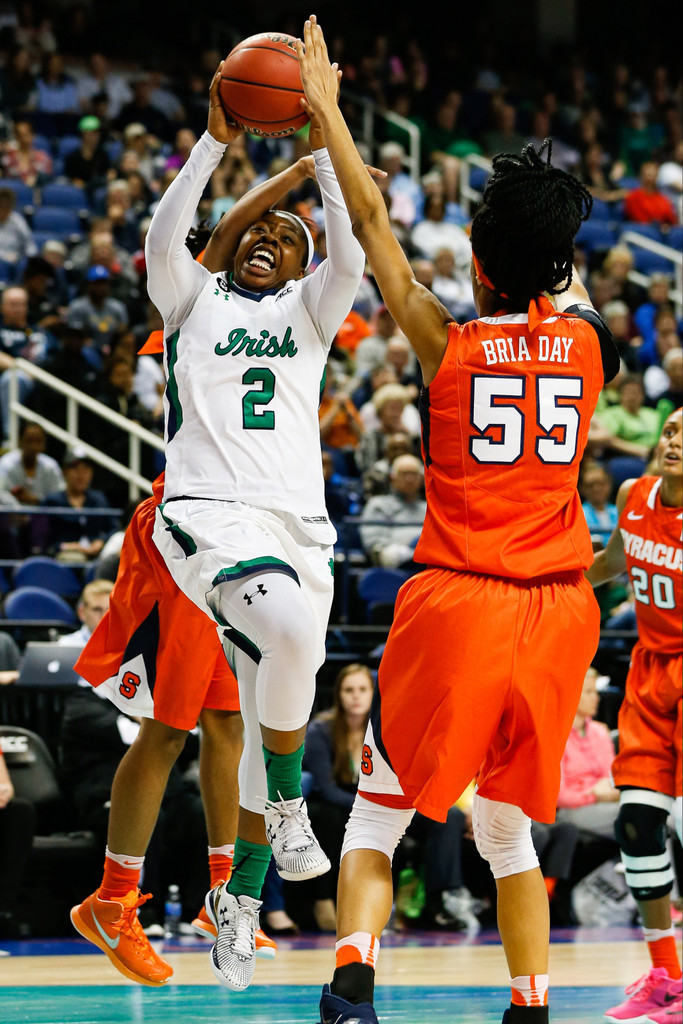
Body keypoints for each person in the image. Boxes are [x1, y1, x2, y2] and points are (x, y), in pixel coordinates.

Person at [296, 18, 620, 1024]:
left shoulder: (447, 343)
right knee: (508, 832)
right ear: (559, 265)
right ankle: (529, 1006)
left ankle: (352, 984)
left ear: (477, 261)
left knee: (378, 814)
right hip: (557, 614)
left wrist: (326, 110)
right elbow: (550, 283)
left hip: (460, 601)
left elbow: (373, 227)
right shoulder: (589, 346)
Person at [144, 62, 368, 992]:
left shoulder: (309, 312)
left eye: (287, 236)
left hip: (300, 530)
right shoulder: (190, 299)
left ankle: (235, 902)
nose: (269, 240)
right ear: (232, 247)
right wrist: (214, 143)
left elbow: (349, 258)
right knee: (287, 638)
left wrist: (325, 154)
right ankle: (287, 806)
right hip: (208, 515)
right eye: (257, 232)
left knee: (270, 688)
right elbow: (166, 236)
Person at [586, 408, 682, 1024]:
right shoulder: (633, 494)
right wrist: (557, 580)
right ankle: (667, 978)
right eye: (671, 431)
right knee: (637, 826)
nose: (675, 442)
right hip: (649, 676)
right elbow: (614, 561)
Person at [359, 453, 426, 570]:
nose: (409, 479)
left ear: (421, 479)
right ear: (392, 478)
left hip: (427, 565)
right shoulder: (378, 504)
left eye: (414, 474)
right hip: (392, 567)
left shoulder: (429, 508)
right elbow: (374, 544)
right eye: (404, 474)